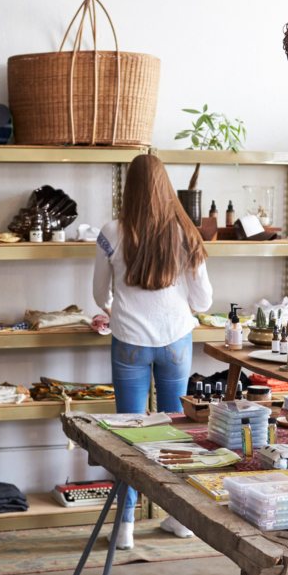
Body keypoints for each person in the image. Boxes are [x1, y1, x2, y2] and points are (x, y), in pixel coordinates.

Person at [93, 154, 213, 549]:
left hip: (129, 340)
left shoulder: (112, 231)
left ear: (129, 187)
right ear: (165, 186)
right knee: (176, 432)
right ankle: (179, 520)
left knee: (128, 434)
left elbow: (98, 295)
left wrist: (122, 310)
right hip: (176, 340)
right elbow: (205, 300)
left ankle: (125, 525)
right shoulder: (185, 232)